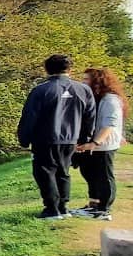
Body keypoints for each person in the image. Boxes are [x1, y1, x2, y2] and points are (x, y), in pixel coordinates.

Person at [17, 54, 96, 220]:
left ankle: (51, 209)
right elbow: (89, 116)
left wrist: (24, 138)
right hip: (71, 139)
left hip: (45, 139)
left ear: (46, 69)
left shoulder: (41, 90)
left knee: (45, 172)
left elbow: (30, 116)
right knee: (63, 171)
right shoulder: (83, 90)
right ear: (69, 69)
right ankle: (63, 207)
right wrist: (84, 139)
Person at [73, 67, 126, 221]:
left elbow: (110, 124)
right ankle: (93, 205)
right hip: (92, 144)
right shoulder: (95, 97)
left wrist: (95, 143)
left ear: (97, 82)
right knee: (89, 173)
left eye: (86, 79)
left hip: (103, 145)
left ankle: (104, 209)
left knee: (104, 176)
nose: (83, 82)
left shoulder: (110, 99)